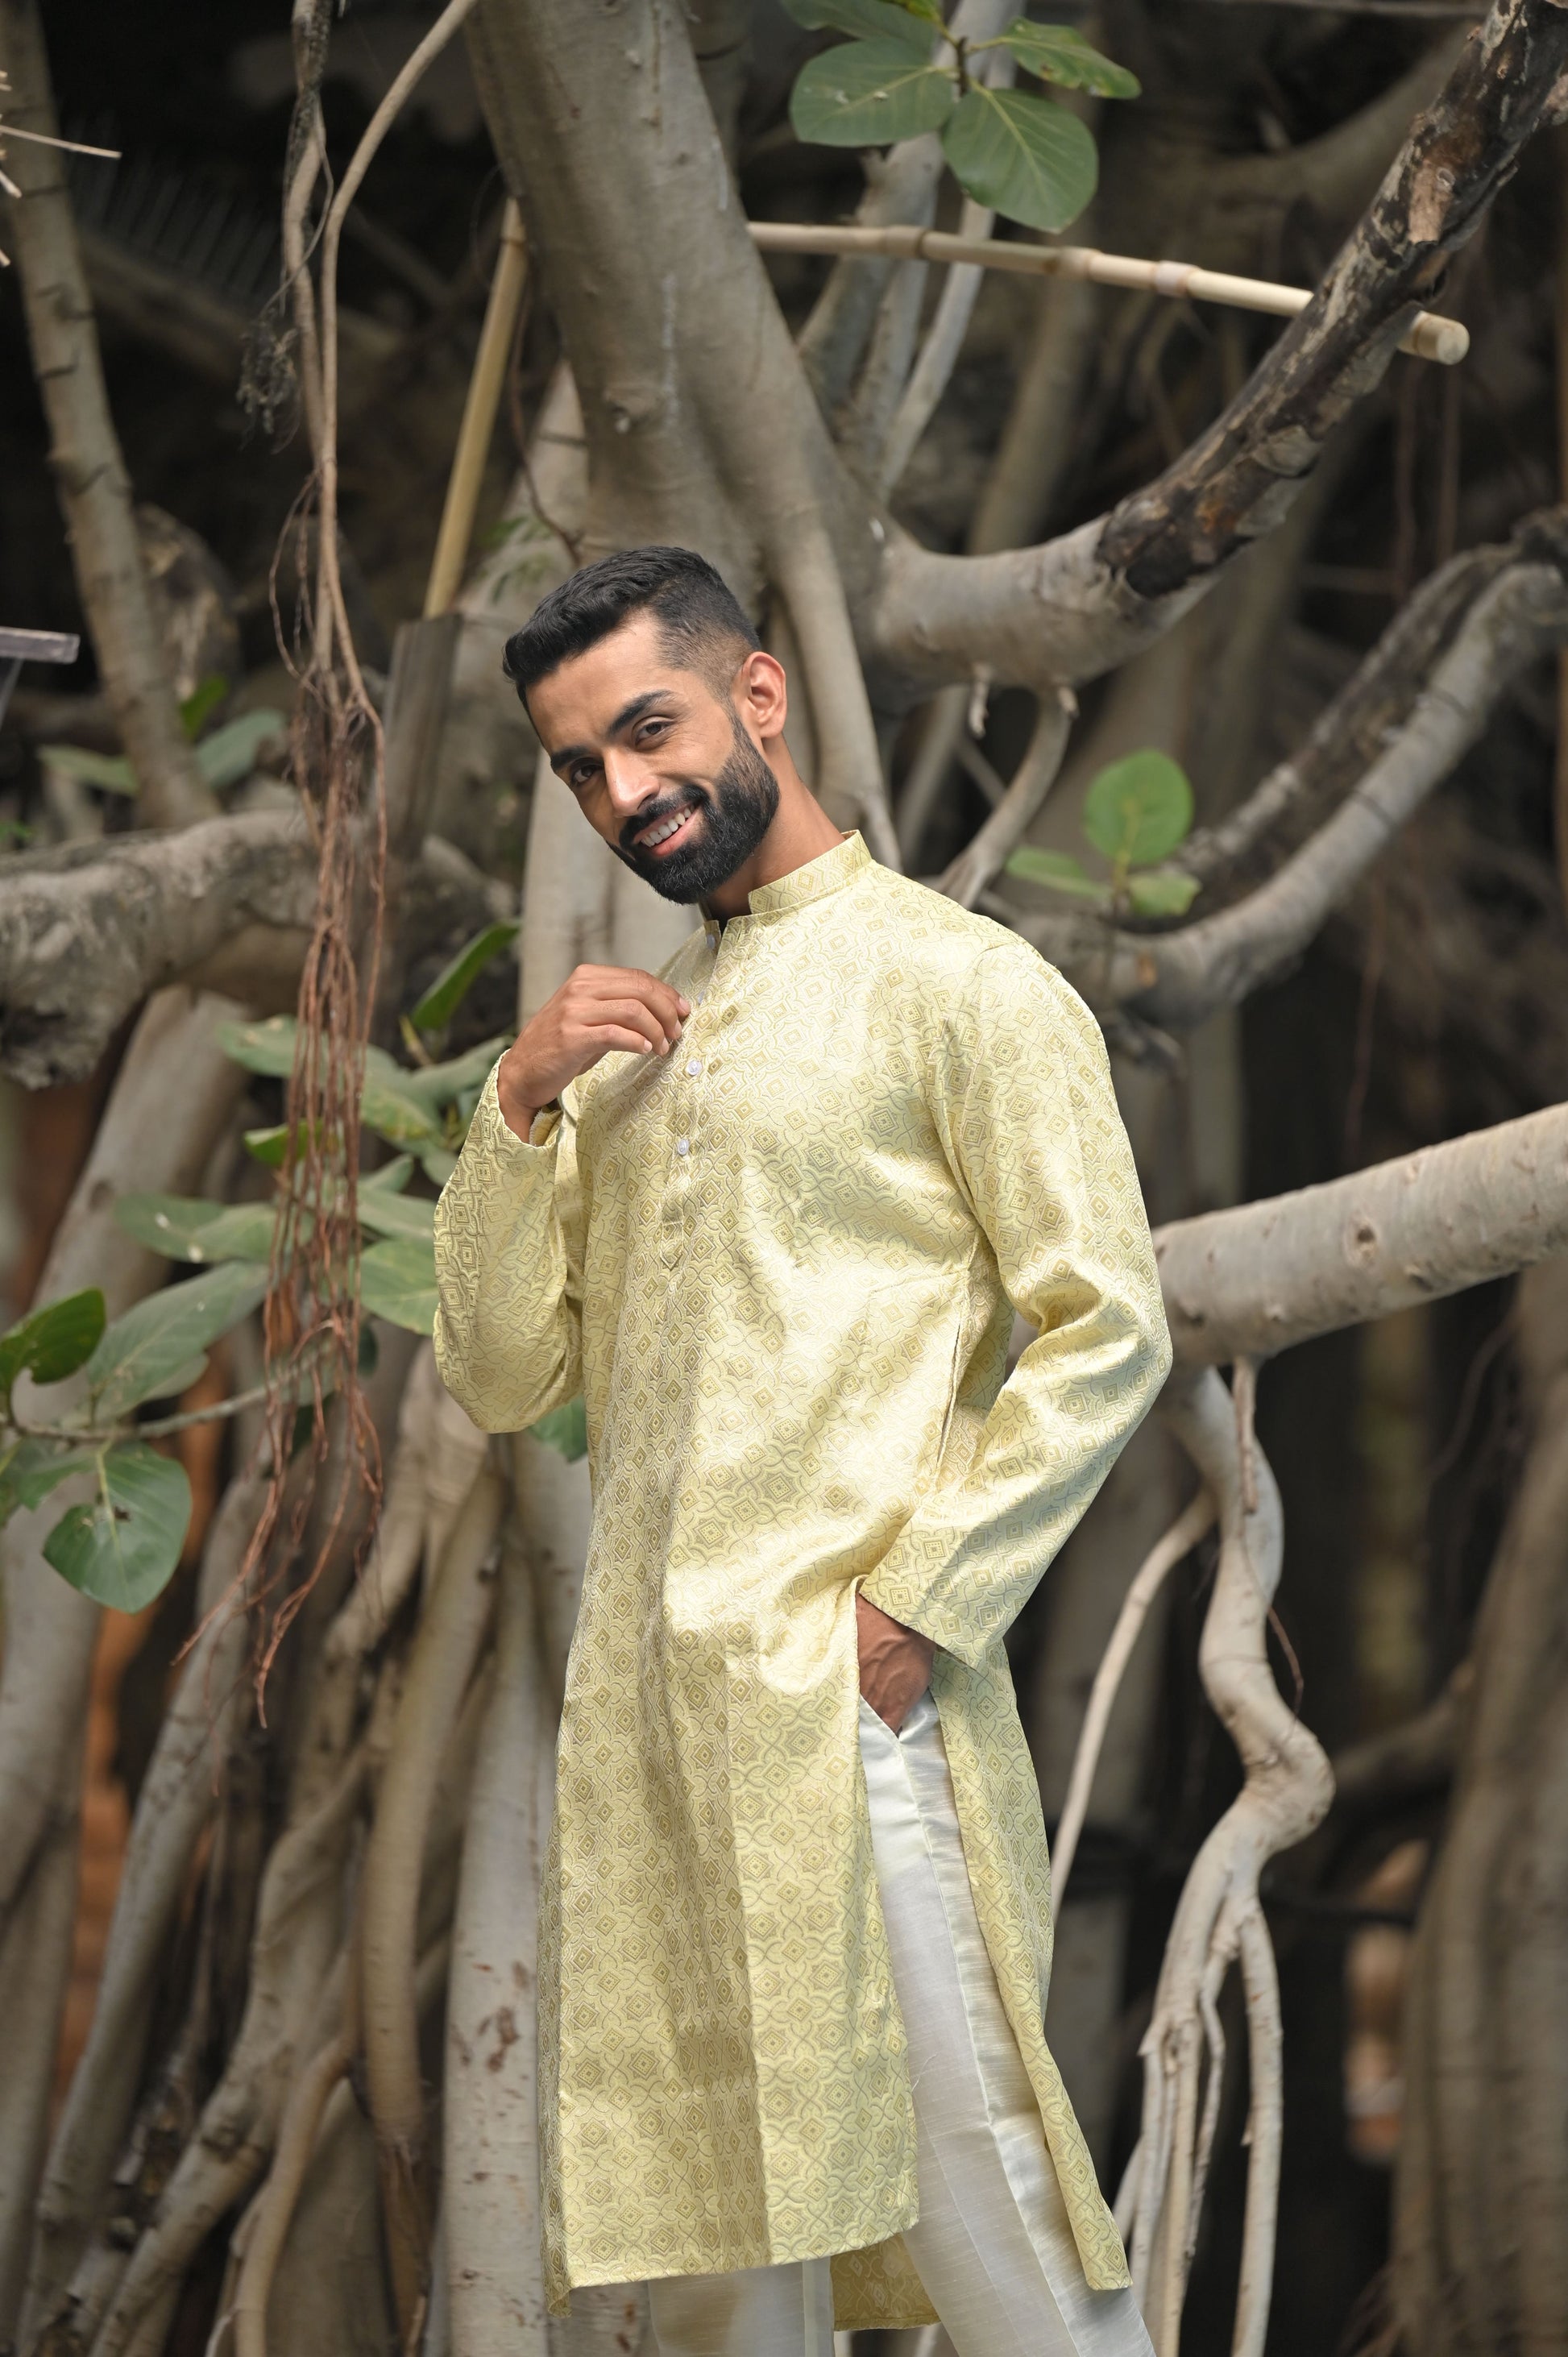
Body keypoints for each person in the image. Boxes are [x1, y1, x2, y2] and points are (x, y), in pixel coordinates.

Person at [433, 546, 1172, 2357]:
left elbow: (1108, 1325)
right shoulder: (629, 1049)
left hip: (847, 1710)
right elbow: (506, 1374)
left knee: (988, 2196)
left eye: (650, 730)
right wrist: (517, 1105)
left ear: (757, 695)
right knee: (714, 2270)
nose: (624, 791)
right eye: (581, 767)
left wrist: (916, 1608)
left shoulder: (959, 985)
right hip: (655, 1735)